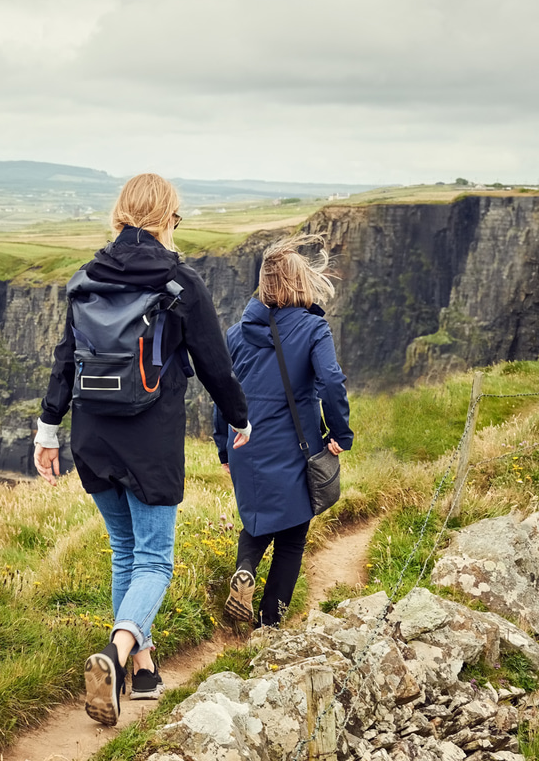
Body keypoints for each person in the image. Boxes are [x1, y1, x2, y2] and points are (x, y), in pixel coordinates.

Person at [34, 173, 251, 727]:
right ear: (167, 219)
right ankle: (117, 651)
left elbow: (65, 357)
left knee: (124, 551)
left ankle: (142, 668)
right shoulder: (180, 282)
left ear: (120, 214)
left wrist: (47, 429)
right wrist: (239, 418)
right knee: (154, 560)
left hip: (92, 436)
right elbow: (214, 363)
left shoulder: (87, 277)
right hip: (149, 441)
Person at [213, 234, 354, 629]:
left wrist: (223, 448)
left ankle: (245, 568)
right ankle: (269, 624)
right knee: (292, 537)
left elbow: (222, 394)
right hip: (294, 445)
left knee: (257, 519)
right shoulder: (313, 329)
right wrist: (340, 433)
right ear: (300, 283)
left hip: (243, 443)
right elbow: (331, 381)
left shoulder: (235, 334)